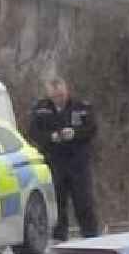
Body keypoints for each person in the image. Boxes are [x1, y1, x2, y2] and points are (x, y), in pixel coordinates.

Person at [29, 76, 99, 241]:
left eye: (60, 96)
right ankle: (59, 238)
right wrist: (51, 137)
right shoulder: (41, 109)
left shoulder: (81, 107)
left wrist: (74, 133)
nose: (58, 100)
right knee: (57, 203)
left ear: (66, 91)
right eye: (54, 97)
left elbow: (92, 129)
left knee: (84, 202)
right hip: (54, 163)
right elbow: (33, 133)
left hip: (78, 163)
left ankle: (91, 236)